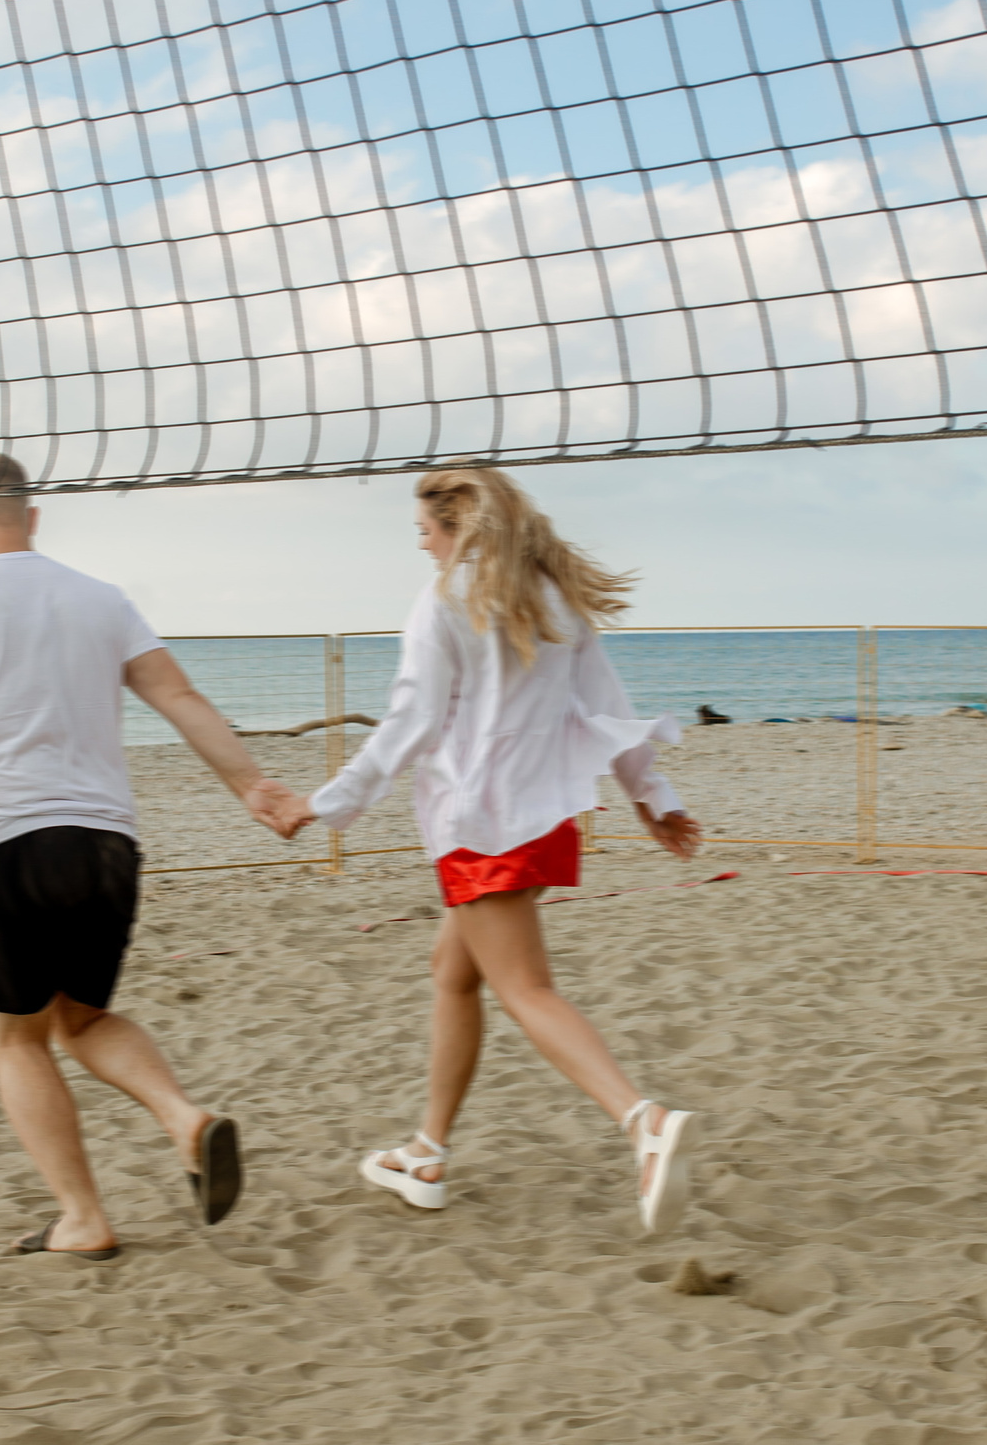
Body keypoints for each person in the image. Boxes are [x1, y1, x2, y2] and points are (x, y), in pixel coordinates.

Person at [0, 451, 304, 1260]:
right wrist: (249, 783)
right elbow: (178, 695)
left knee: (17, 1039)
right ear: (32, 517)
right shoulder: (102, 598)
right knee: (83, 1017)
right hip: (107, 846)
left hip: (9, 845)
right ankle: (182, 1115)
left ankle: (82, 1217)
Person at [276, 466, 708, 1235]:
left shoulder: (445, 599)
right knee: (453, 971)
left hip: (480, 828)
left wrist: (323, 803)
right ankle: (427, 1151)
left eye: (425, 531)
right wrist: (652, 796)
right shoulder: (552, 596)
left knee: (526, 988)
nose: (423, 546)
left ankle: (641, 1120)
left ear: (458, 527)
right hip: (543, 818)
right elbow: (607, 706)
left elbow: (409, 724)